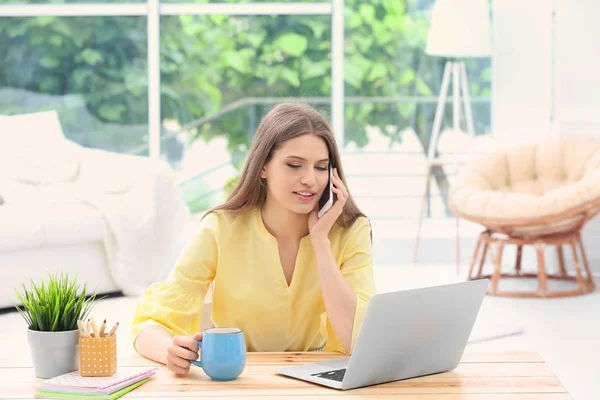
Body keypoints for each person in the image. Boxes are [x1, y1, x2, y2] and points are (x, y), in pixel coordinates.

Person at [130, 103, 376, 376]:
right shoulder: (221, 229)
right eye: (294, 165)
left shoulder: (351, 230)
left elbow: (358, 337)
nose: (310, 180)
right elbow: (148, 322)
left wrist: (320, 240)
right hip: (240, 376)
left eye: (321, 167)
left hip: (318, 377)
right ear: (263, 167)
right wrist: (168, 350)